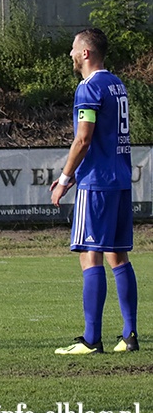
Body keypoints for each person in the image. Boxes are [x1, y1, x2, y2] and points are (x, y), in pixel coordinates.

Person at [50, 28, 138, 354]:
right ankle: (129, 335)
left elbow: (83, 138)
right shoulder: (117, 85)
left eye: (74, 48)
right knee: (118, 255)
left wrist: (64, 177)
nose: (71, 54)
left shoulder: (88, 88)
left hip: (97, 183)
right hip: (121, 181)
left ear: (86, 53)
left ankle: (91, 339)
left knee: (90, 255)